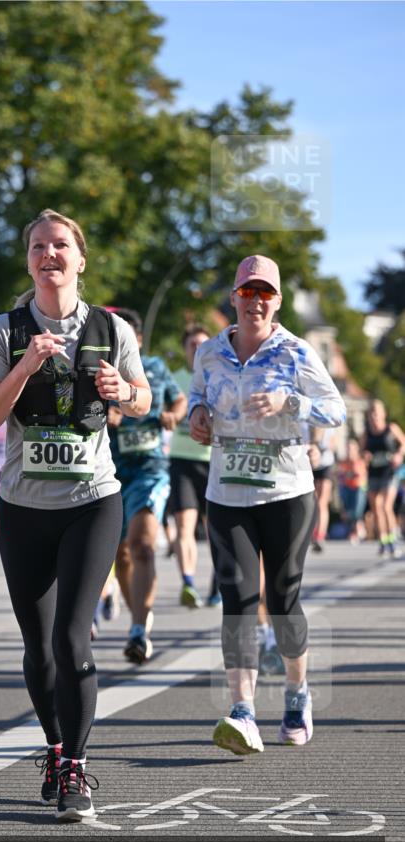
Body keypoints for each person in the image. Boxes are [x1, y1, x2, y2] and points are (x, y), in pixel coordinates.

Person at [0, 209, 151, 821]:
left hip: (92, 500)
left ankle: (74, 766)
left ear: (81, 259)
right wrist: (24, 365)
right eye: (40, 246)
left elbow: (143, 397)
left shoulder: (111, 328)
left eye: (62, 246)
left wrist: (121, 394)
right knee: (38, 647)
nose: (51, 254)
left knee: (72, 637)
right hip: (23, 507)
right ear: (29, 261)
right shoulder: (5, 329)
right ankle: (52, 745)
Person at [188, 254, 345, 755]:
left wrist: (289, 403)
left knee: (282, 601)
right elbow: (197, 395)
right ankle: (243, 711)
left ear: (276, 302)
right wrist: (197, 415)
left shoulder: (296, 352)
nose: (255, 301)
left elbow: (337, 409)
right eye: (247, 292)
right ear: (233, 297)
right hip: (227, 491)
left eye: (265, 294)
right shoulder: (210, 352)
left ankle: (298, 695)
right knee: (236, 599)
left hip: (286, 491)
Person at [106, 308, 186, 663]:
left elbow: (178, 398)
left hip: (151, 468)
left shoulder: (154, 367)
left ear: (136, 338)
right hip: (111, 470)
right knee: (120, 554)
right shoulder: (99, 368)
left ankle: (139, 630)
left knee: (142, 546)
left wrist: (174, 414)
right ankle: (136, 611)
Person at [169, 323, 221, 608]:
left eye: (203, 344)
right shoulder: (174, 379)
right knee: (184, 527)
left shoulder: (219, 379)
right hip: (182, 461)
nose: (198, 349)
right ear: (185, 350)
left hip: (213, 461)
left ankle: (218, 585)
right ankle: (188, 583)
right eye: (192, 345)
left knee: (216, 530)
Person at [360, 399, 405, 557]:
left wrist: (399, 455)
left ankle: (393, 540)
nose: (374, 416)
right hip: (374, 473)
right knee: (376, 509)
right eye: (372, 413)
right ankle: (383, 541)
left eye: (377, 413)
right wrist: (365, 456)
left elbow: (403, 444)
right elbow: (361, 451)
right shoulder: (367, 433)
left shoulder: (391, 428)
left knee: (386, 506)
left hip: (389, 471)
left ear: (383, 414)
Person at [309, 427, 337, 553]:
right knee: (312, 502)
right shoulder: (306, 423)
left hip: (325, 465)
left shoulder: (328, 425)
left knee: (322, 502)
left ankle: (320, 536)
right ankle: (313, 533)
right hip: (311, 466)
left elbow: (333, 444)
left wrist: (320, 447)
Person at [336, 438, 368, 544]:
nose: (349, 450)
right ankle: (355, 531)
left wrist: (349, 474)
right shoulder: (344, 461)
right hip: (347, 488)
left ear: (356, 449)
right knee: (348, 511)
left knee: (357, 511)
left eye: (351, 448)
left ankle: (357, 530)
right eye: (348, 448)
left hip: (358, 488)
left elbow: (359, 474)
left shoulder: (360, 460)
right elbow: (340, 476)